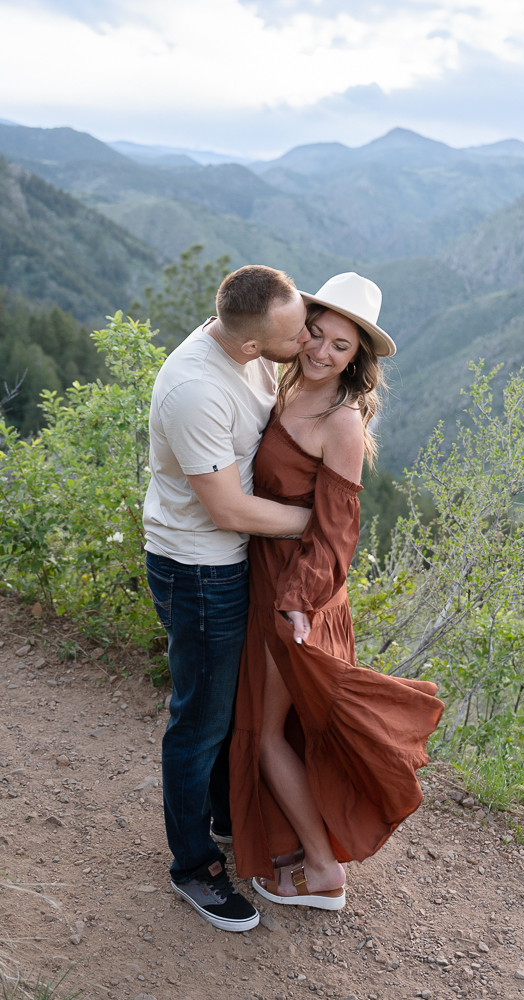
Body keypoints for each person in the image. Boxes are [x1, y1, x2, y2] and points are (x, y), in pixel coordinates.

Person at [229, 272, 444, 909]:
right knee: (280, 730)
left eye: (340, 347)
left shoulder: (341, 421)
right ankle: (295, 845)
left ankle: (323, 871)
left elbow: (336, 530)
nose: (322, 352)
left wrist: (295, 598)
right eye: (316, 335)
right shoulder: (286, 383)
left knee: (268, 734)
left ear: (359, 360)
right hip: (272, 579)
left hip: (296, 595)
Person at [143, 265, 317, 933]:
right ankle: (193, 866)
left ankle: (225, 816)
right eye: (297, 332)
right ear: (250, 344)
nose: (305, 338)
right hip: (199, 571)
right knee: (199, 721)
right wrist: (317, 523)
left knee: (226, 703)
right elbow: (223, 508)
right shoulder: (194, 389)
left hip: (232, 562)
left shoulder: (251, 347)